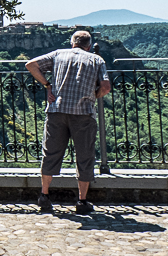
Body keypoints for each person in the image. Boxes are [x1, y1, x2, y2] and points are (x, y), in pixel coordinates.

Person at [25, 30, 111, 214]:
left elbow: (31, 65)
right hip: (83, 114)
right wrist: (92, 96)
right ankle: (82, 201)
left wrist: (48, 85)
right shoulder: (96, 60)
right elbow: (105, 87)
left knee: (51, 153)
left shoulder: (58, 54)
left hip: (57, 110)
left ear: (72, 43)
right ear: (88, 46)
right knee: (84, 156)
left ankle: (44, 195)